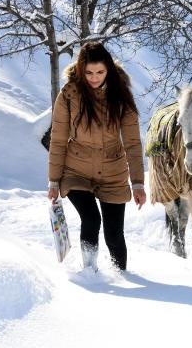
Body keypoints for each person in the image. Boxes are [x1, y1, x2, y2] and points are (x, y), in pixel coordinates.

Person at [47, 41, 146, 272]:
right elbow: (58, 140)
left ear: (108, 69)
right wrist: (53, 181)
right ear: (81, 69)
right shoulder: (69, 94)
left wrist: (138, 183)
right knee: (91, 219)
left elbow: (132, 142)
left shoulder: (120, 95)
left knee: (114, 233)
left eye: (100, 72)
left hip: (113, 172)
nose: (94, 77)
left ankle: (121, 274)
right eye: (89, 72)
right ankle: (89, 273)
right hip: (76, 171)